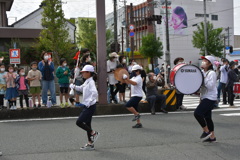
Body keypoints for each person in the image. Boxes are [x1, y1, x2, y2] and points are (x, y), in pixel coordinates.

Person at [69, 65, 100, 151]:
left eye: (83, 72)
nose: (82, 74)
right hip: (87, 105)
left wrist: (90, 101)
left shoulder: (91, 82)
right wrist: (74, 87)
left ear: (89, 73)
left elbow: (95, 93)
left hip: (90, 106)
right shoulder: (87, 81)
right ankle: (90, 143)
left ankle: (93, 133)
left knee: (79, 122)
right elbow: (81, 88)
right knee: (87, 124)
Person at [194, 55, 217, 142]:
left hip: (210, 97)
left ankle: (206, 131)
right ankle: (212, 137)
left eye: (205, 61)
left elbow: (210, 86)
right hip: (205, 97)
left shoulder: (212, 73)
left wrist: (203, 79)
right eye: (203, 60)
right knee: (207, 117)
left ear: (210, 63)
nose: (203, 62)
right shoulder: (202, 72)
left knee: (197, 113)